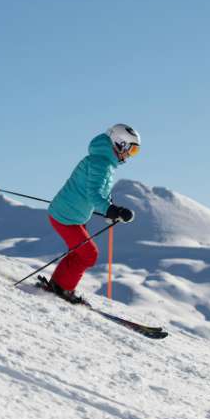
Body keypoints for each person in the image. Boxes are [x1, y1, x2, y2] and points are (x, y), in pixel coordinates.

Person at [44, 124, 140, 304]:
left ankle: (58, 285)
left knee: (80, 253)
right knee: (89, 254)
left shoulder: (104, 162)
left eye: (135, 151)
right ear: (120, 143)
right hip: (66, 217)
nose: (130, 155)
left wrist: (110, 208)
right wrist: (112, 210)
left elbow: (101, 193)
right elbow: (93, 194)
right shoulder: (101, 163)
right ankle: (62, 288)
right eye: (131, 149)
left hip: (73, 215)